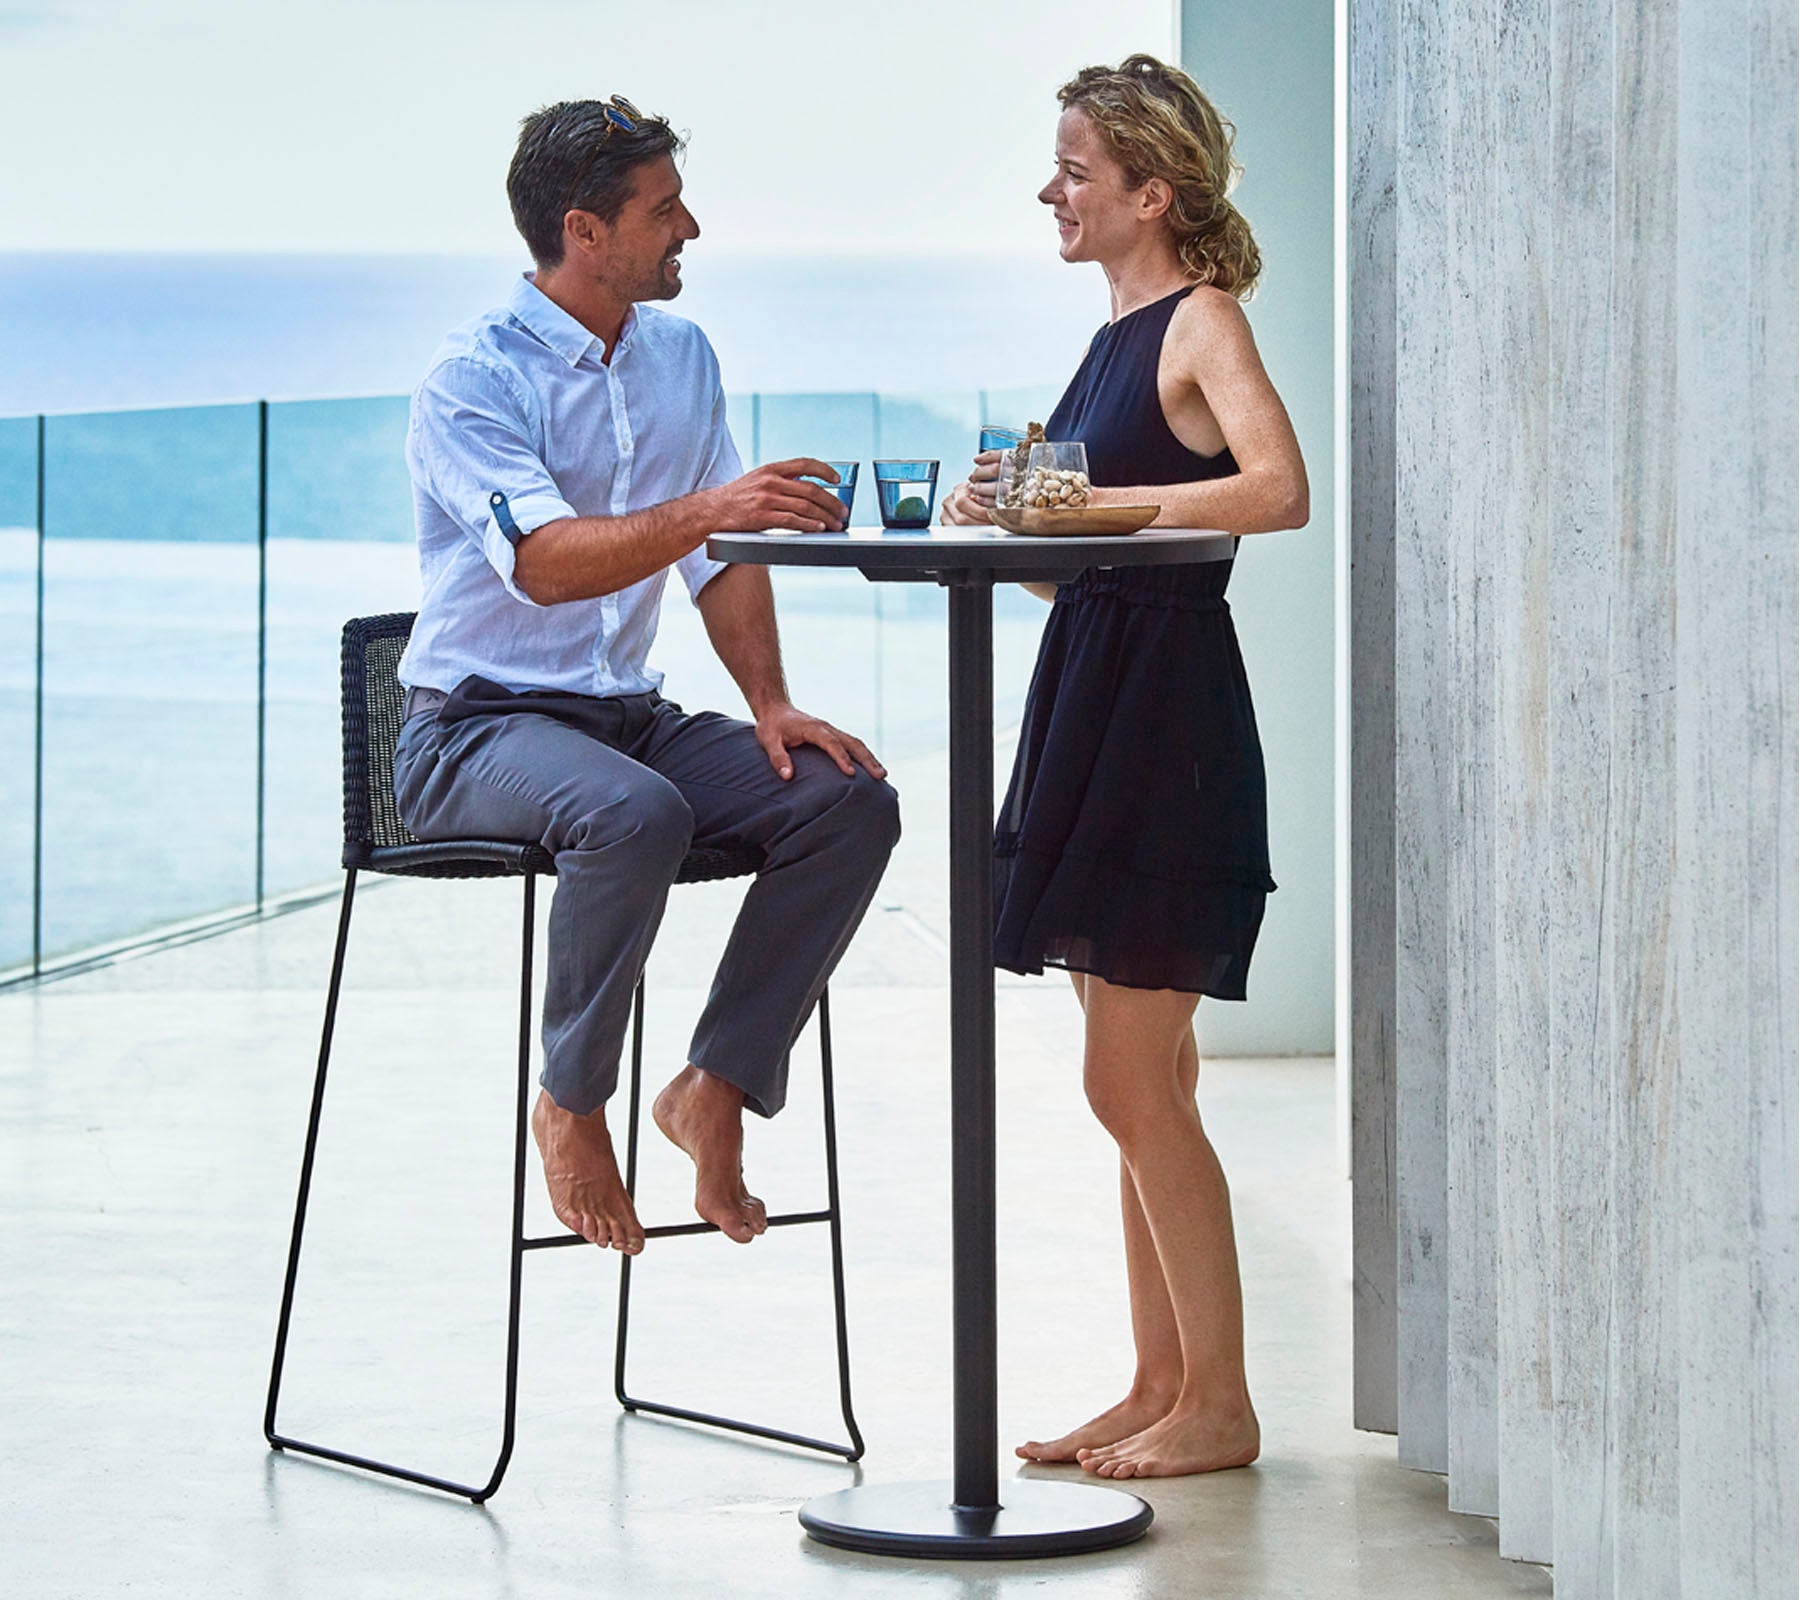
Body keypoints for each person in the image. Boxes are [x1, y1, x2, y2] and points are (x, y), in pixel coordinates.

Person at [394, 97, 900, 1257]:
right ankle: (572, 1102)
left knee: (847, 796)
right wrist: (710, 508)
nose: (692, 229)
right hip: (471, 732)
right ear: (586, 230)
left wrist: (771, 703)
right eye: (663, 210)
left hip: (627, 720)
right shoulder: (472, 378)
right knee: (636, 814)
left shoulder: (681, 356)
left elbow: (717, 558)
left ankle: (714, 1086)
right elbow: (539, 563)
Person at [942, 55, 1308, 1478]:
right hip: (1094, 698)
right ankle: (1162, 1382)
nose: (1053, 190)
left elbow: (1275, 491)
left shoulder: (1202, 318)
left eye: (1077, 170)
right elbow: (1108, 560)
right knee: (1146, 1078)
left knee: (1130, 1080)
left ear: (1152, 192)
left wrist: (1101, 501)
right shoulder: (1109, 335)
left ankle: (1221, 1406)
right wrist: (1019, 524)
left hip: (1165, 727)